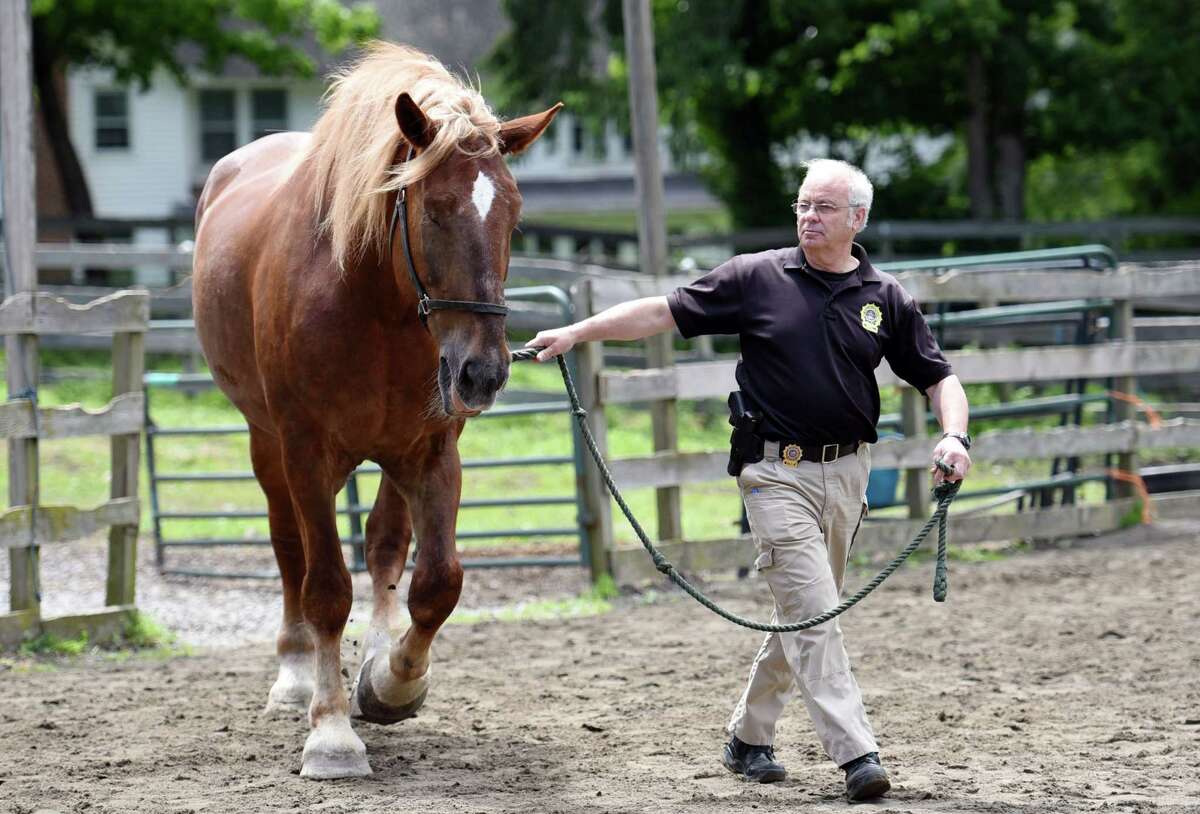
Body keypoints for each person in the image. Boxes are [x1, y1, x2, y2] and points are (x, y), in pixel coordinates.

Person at [527, 158, 971, 801]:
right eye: (802, 205)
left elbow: (939, 377)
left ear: (858, 219)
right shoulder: (757, 277)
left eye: (823, 207)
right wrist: (578, 332)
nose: (809, 217)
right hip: (773, 474)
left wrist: (954, 435)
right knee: (816, 614)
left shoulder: (885, 297)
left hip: (849, 476)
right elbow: (661, 313)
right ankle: (857, 755)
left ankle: (749, 737)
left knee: (803, 614)